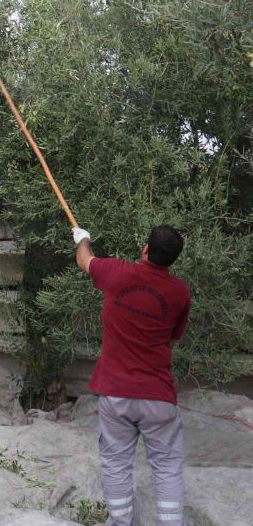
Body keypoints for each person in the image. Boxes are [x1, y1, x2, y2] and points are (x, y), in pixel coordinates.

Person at [73, 225, 190, 526]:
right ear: (173, 259)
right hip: (158, 396)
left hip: (116, 394)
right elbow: (172, 340)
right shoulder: (179, 292)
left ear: (145, 250)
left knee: (115, 464)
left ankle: (120, 522)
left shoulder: (116, 272)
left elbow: (85, 261)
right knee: (167, 467)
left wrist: (82, 239)